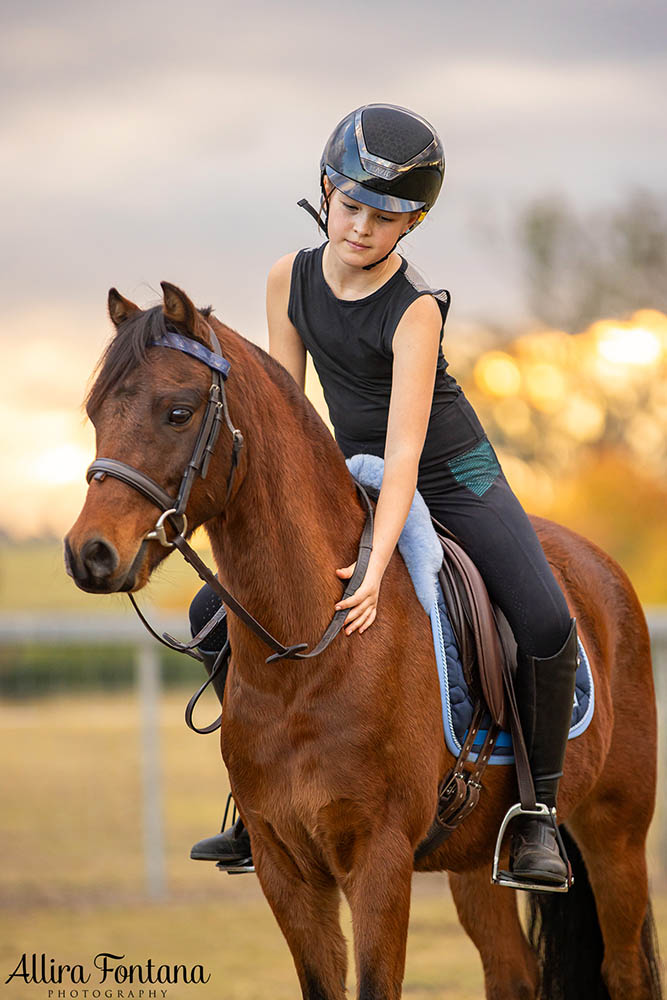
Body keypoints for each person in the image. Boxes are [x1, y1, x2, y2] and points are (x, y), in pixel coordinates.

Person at [188, 103, 578, 889]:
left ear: (412, 224)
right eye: (352, 206)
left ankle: (536, 815)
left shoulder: (415, 308)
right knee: (209, 614)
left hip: (450, 475)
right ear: (326, 190)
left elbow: (404, 452)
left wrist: (371, 565)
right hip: (347, 467)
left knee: (543, 618)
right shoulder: (285, 279)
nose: (361, 228)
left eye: (386, 217)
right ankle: (253, 796)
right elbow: (288, 419)